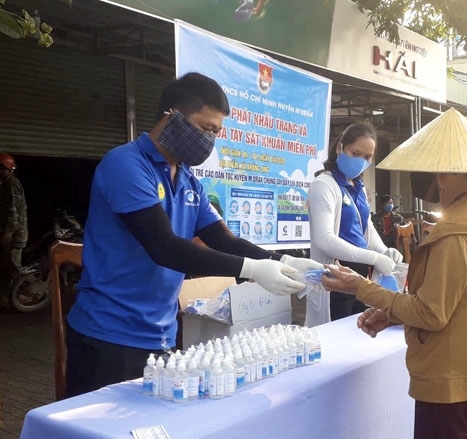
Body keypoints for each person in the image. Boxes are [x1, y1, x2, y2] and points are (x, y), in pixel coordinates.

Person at [65, 72, 321, 397]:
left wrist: (281, 260)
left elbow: (223, 239)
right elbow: (164, 247)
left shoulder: (189, 181)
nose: (210, 140)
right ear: (172, 116)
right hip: (109, 334)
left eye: (217, 132)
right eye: (206, 128)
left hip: (162, 333)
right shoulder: (127, 165)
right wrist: (252, 270)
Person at [321, 107, 467, 439]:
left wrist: (361, 287)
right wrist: (394, 314)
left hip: (451, 378)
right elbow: (459, 303)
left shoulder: (455, 233)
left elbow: (431, 313)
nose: (432, 179)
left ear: (452, 174)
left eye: (436, 170)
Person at [305, 123, 402, 327]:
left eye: (367, 157)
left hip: (359, 275)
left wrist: (384, 251)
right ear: (340, 148)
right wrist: (373, 257)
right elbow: (325, 239)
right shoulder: (324, 185)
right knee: (336, 332)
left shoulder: (356, 186)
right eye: (355, 153)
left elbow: (365, 228)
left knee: (357, 328)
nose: (361, 161)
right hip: (336, 273)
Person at [0, 153, 28, 298]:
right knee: (7, 264)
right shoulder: (6, 184)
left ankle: (19, 295)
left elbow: (13, 210)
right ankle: (9, 295)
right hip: (12, 233)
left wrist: (8, 232)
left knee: (13, 266)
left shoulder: (12, 184)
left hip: (15, 234)